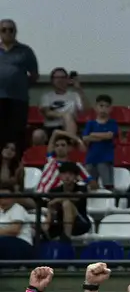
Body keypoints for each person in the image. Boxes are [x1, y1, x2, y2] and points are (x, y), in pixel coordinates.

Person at [0, 19, 39, 156]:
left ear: (15, 32)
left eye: (11, 30)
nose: (7, 32)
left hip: (18, 99)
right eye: (4, 30)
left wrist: (20, 85)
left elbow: (34, 75)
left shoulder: (25, 51)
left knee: (16, 133)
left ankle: (17, 163)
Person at [36, 67, 86, 145]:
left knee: (68, 117)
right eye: (57, 78)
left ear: (67, 79)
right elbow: (47, 113)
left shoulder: (74, 95)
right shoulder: (47, 96)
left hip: (68, 127)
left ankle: (70, 145)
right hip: (50, 127)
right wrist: (64, 115)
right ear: (52, 80)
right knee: (37, 134)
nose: (60, 80)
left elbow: (85, 110)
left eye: (63, 77)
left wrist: (79, 89)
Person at [42, 162, 93, 239]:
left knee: (67, 203)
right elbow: (51, 207)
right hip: (61, 223)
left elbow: (76, 198)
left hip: (80, 223)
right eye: (64, 173)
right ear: (60, 176)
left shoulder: (82, 188)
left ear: (76, 176)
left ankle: (66, 239)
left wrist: (58, 199)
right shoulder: (54, 191)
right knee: (42, 231)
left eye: (70, 174)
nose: (67, 176)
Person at [81, 94, 118, 189]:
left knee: (108, 186)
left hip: (105, 159)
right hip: (91, 159)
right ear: (96, 107)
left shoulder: (112, 123)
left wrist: (93, 134)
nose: (103, 109)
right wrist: (102, 136)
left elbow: (110, 136)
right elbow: (85, 138)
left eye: (106, 106)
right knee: (90, 186)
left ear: (110, 109)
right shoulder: (90, 123)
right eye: (101, 106)